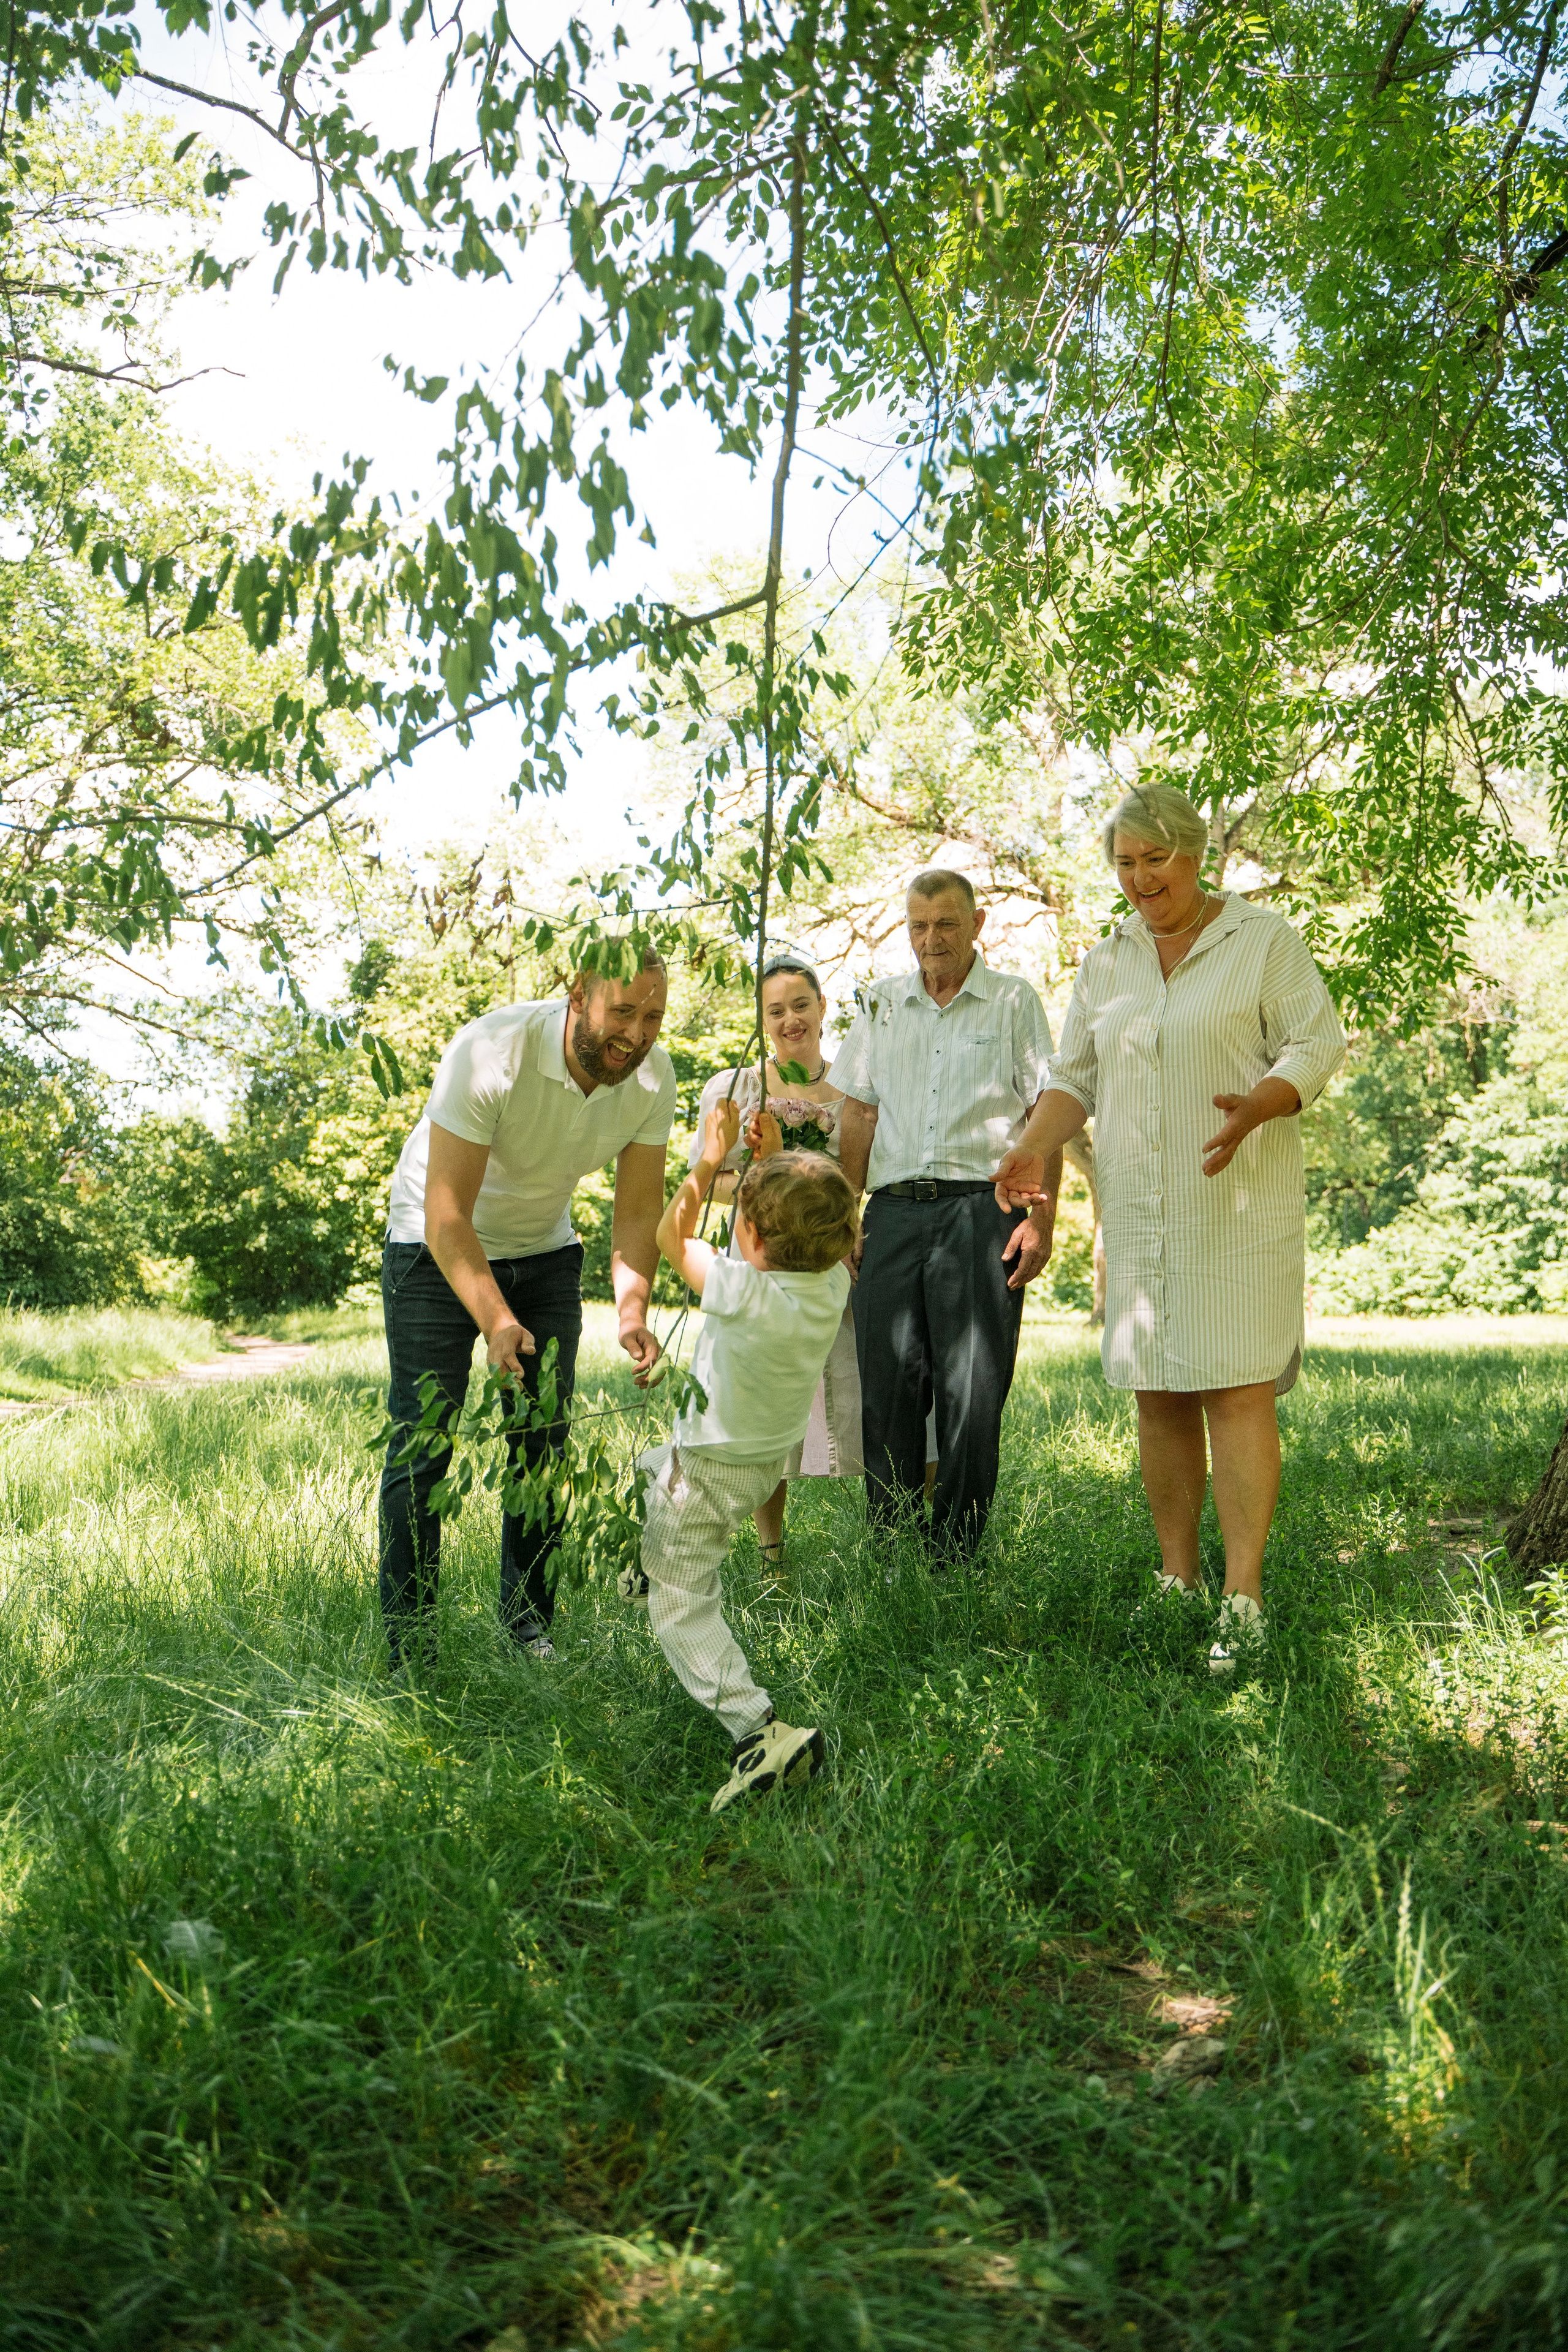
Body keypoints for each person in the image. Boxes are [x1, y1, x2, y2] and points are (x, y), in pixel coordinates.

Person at [993, 783, 1346, 1675]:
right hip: (1142, 1209)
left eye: (1157, 860)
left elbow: (1316, 1044)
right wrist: (1032, 1147)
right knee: (1158, 1392)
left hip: (1236, 1199)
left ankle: (1245, 1597)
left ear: (1195, 856)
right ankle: (1176, 1582)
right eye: (1125, 863)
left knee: (1235, 1388)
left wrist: (1260, 1104)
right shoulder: (1106, 959)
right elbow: (1075, 1074)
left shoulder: (1262, 940)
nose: (1141, 879)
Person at [377, 950, 675, 1672]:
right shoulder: (491, 1050)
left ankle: (528, 1625)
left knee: (542, 1445)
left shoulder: (651, 1079)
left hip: (543, 1253)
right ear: (576, 996)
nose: (637, 1035)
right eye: (623, 1012)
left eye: (654, 1016)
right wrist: (494, 1319)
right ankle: (410, 1642)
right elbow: (448, 1216)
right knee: (425, 1443)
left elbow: (636, 1213)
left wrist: (631, 1309)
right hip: (433, 1246)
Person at [633, 1098, 859, 1813]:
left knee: (680, 1602)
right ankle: (644, 1560)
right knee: (649, 1465)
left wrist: (710, 1155)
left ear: (753, 1237)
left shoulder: (742, 1292)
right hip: (761, 1460)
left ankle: (756, 1729)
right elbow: (785, 1236)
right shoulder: (831, 1284)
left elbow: (672, 1236)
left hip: (709, 1466)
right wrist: (763, 1164)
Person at [831, 870, 1060, 1564]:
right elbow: (859, 1110)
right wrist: (846, 1212)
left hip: (981, 1212)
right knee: (887, 1390)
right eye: (919, 926)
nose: (932, 940)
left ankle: (954, 1555)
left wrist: (1042, 1223)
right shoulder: (881, 1004)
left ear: (978, 924)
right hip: (892, 1213)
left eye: (947, 924)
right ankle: (891, 1546)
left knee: (972, 1390)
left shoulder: (1013, 1001)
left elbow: (1042, 1115)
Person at [690, 950, 934, 1575]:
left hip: (840, 1261)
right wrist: (764, 1172)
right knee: (766, 1402)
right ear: (761, 1019)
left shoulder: (858, 1088)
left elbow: (872, 1176)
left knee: (878, 1391)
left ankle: (896, 1541)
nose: (790, 1019)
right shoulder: (736, 1087)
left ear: (824, 1008)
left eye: (801, 1005)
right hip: (763, 1265)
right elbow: (714, 1180)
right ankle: (771, 1555)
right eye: (775, 1011)